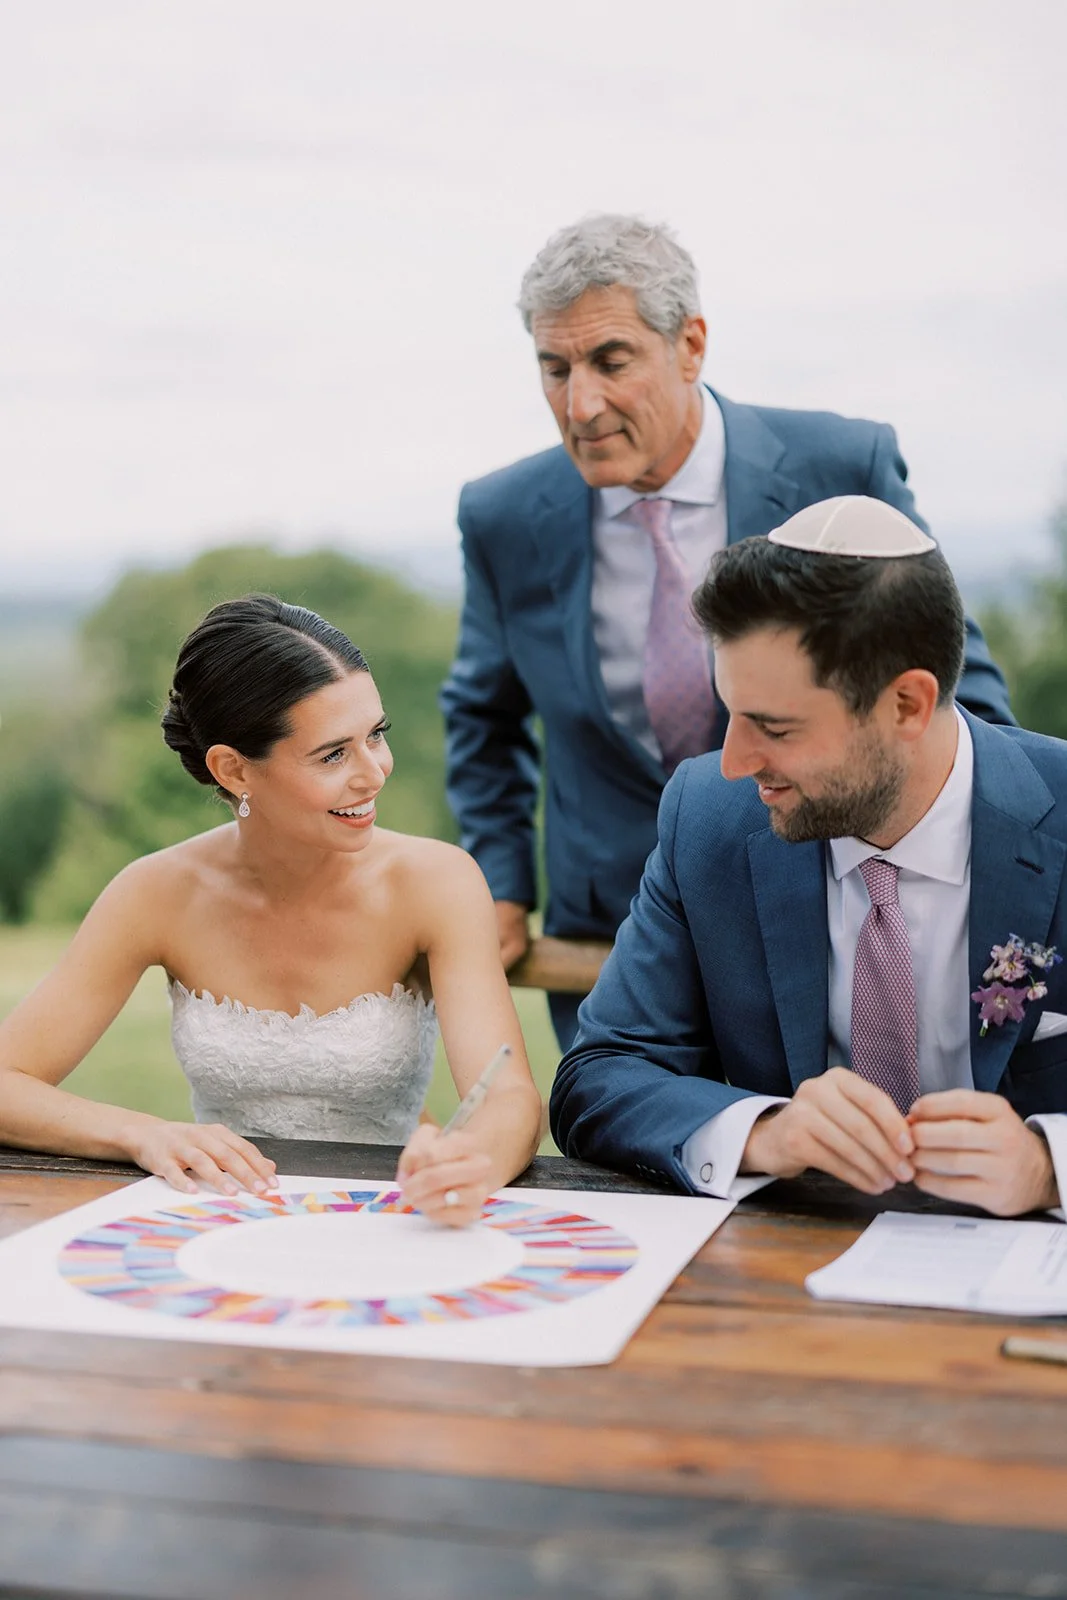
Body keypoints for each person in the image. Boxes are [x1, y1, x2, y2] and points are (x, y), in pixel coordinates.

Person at [440, 214, 1014, 1051]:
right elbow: (481, 718)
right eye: (553, 366)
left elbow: (951, 683)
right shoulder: (499, 514)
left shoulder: (839, 466)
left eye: (609, 361)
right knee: (639, 1148)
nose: (579, 403)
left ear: (691, 344)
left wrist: (990, 872)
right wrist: (498, 882)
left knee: (816, 1162)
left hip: (827, 907)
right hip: (609, 939)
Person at [550, 497, 1066, 1219]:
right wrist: (767, 1131)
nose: (732, 763)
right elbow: (598, 1076)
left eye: (773, 727)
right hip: (786, 1279)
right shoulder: (709, 818)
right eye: (728, 712)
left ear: (907, 705)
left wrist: (1047, 1167)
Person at [0, 595, 542, 1227]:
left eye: (377, 736)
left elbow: (508, 1097)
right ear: (233, 769)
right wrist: (140, 1134)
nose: (375, 773)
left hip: (387, 1219)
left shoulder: (437, 882)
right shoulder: (154, 892)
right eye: (334, 754)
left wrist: (470, 1158)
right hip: (221, 1222)